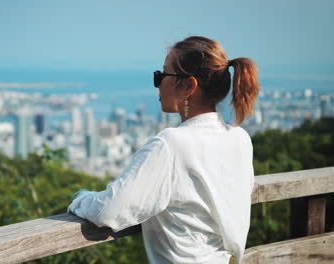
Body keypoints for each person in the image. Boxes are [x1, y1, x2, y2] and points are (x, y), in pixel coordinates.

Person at [67, 36, 259, 264]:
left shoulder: (171, 144)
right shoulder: (239, 138)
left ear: (189, 86)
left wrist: (81, 199)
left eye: (162, 75)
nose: (157, 82)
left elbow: (109, 211)